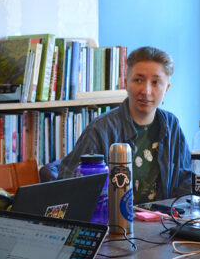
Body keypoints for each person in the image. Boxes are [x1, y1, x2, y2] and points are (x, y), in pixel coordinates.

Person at [58, 46, 192, 203]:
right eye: (138, 80)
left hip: (161, 222)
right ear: (126, 82)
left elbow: (186, 179)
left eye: (156, 82)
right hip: (112, 222)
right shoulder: (101, 129)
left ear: (166, 88)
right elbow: (67, 182)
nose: (146, 91)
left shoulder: (171, 125)